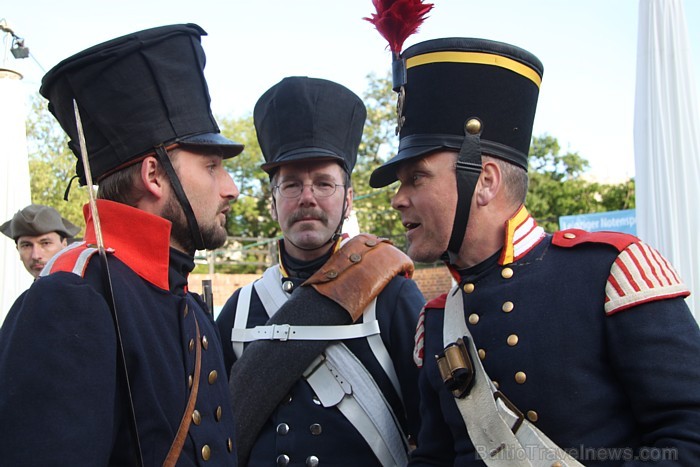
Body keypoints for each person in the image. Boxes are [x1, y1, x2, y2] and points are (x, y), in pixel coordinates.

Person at [368, 37, 700, 465]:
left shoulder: (611, 273)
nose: (398, 199)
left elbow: (690, 436)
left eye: (416, 178)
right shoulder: (435, 321)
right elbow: (435, 457)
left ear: (484, 181)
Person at [0, 24, 243, 466]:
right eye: (212, 167)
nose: (230, 188)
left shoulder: (184, 302)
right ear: (154, 176)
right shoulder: (71, 299)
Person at [216, 76, 424, 466]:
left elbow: (433, 435)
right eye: (292, 184)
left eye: (324, 184)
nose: (307, 197)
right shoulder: (240, 310)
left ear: (348, 200)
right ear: (273, 202)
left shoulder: (392, 297)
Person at [1, 203, 80, 279]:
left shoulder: (86, 289)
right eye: (26, 245)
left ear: (64, 245)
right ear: (18, 249)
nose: (35, 256)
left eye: (45, 243)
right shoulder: (31, 292)